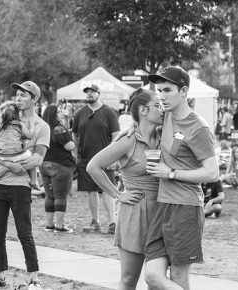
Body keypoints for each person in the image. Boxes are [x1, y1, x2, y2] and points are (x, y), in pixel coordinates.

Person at [143, 66, 219, 290]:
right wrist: (130, 131)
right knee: (152, 276)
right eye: (159, 90)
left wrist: (172, 173)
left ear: (184, 91)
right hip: (162, 205)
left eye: (167, 90)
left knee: (178, 277)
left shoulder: (199, 128)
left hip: (185, 207)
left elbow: (212, 173)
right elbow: (142, 118)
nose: (162, 96)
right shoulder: (164, 116)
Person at [87, 88, 163, 289]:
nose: (163, 109)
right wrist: (118, 194)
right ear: (143, 110)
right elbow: (93, 166)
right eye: (157, 105)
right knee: (129, 279)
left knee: (155, 280)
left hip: (163, 211)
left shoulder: (165, 135)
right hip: (135, 212)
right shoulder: (128, 139)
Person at [0, 81, 50, 290]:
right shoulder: (8, 117)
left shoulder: (41, 127)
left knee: (24, 233)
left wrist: (6, 167)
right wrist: (4, 165)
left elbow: (37, 159)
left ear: (35, 99)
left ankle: (34, 279)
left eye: (24, 95)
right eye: (17, 95)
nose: (18, 98)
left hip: (21, 187)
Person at [72, 83, 120, 234]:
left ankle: (113, 223)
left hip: (105, 159)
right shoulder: (80, 113)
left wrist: (113, 157)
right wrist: (77, 151)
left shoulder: (109, 112)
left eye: (92, 92)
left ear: (98, 93)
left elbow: (116, 136)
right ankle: (95, 222)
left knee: (107, 190)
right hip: (85, 159)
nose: (89, 94)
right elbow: (74, 134)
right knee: (91, 191)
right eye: (87, 92)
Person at [40, 104, 76, 233]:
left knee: (50, 196)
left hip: (44, 164)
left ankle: (49, 225)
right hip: (60, 165)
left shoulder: (41, 127)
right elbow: (70, 146)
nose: (62, 113)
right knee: (60, 196)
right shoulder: (59, 128)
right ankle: (59, 226)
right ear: (54, 114)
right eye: (59, 111)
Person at [0, 100, 37, 188]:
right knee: (30, 157)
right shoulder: (19, 125)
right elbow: (30, 135)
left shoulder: (0, 125)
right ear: (17, 114)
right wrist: (32, 125)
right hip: (17, 155)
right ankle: (34, 181)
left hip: (2, 156)